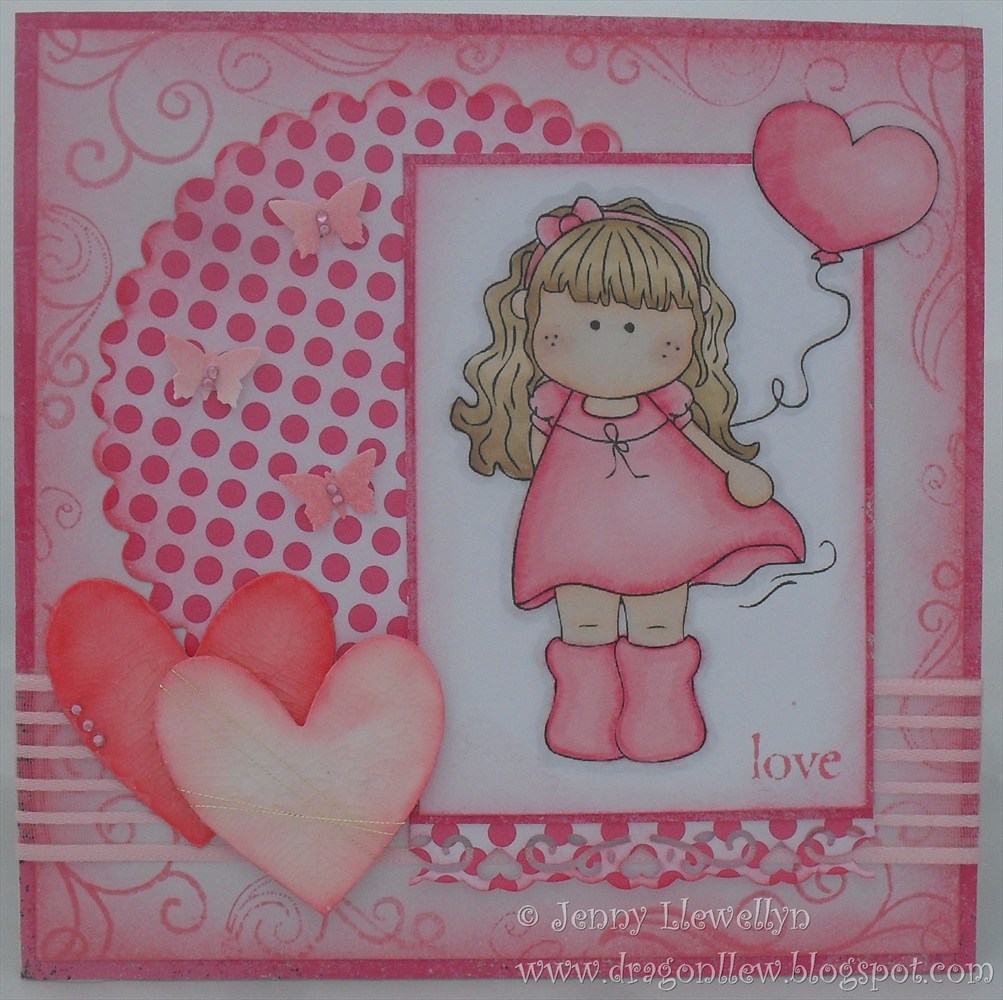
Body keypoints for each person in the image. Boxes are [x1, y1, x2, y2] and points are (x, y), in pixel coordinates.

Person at [451, 195, 805, 763]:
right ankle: (583, 724)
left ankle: (660, 724)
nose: (614, 341)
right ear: (532, 315)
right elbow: (544, 470)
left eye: (641, 322)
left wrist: (736, 468)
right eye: (591, 322)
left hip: (663, 536)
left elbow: (701, 444)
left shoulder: (668, 400)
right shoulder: (551, 403)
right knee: (584, 625)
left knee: (658, 624)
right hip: (575, 535)